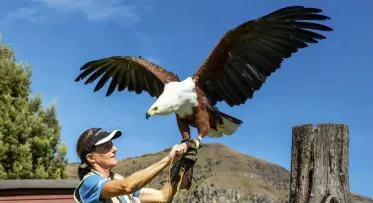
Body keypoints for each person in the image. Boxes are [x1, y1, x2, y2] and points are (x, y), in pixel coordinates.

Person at [73, 127, 189, 203]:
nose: (115, 149)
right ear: (91, 158)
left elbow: (163, 196)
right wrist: (167, 160)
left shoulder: (118, 181)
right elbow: (127, 186)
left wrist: (179, 171)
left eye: (112, 144)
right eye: (106, 146)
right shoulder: (89, 183)